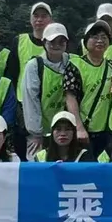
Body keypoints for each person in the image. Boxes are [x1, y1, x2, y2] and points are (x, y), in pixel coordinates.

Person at [65, 21, 112, 158]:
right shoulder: (75, 65)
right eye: (95, 37)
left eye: (104, 37)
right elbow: (70, 98)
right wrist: (79, 127)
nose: (100, 41)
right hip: (83, 131)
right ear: (86, 41)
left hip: (106, 132)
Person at [22, 23, 73, 160]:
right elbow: (30, 100)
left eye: (61, 41)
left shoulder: (72, 61)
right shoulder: (34, 66)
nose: (56, 45)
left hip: (66, 130)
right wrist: (36, 133)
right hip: (41, 132)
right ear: (44, 42)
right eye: (52, 41)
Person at [10, 1, 51, 118]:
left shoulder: (56, 44)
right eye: (36, 16)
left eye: (44, 16)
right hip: (23, 101)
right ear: (30, 19)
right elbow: (12, 74)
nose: (39, 19)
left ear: (50, 20)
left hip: (50, 102)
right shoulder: (19, 41)